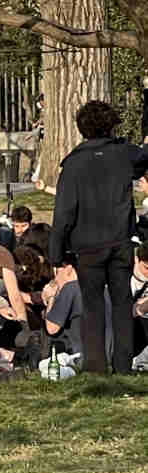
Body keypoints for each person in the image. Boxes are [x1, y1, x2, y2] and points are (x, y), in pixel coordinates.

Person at [48, 100, 148, 374]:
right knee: (121, 303)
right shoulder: (123, 154)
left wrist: (56, 253)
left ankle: (96, 365)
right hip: (120, 241)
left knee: (92, 306)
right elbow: (143, 158)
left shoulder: (74, 164)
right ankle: (123, 365)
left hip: (87, 245)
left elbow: (64, 212)